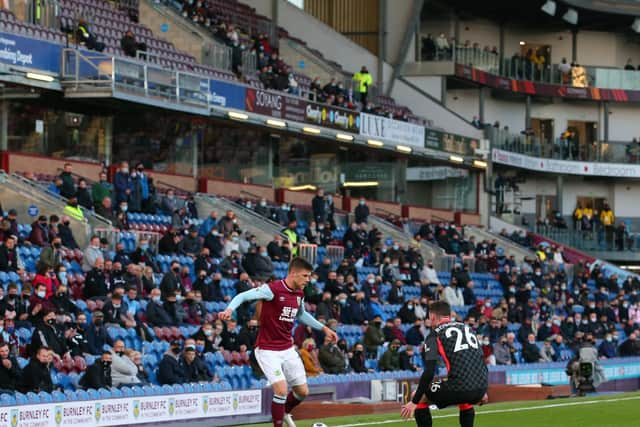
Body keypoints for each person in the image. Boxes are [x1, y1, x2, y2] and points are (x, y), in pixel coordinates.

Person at [219, 257, 338, 427]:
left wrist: (324, 328)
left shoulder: (299, 293)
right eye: (305, 276)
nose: (308, 280)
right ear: (293, 273)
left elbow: (302, 314)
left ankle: (285, 412)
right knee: (281, 390)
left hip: (287, 349)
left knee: (302, 392)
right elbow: (244, 295)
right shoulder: (272, 289)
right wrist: (229, 309)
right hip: (267, 350)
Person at [401, 301, 488, 427]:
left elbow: (429, 372)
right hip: (480, 388)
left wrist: (414, 402)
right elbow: (480, 359)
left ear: (432, 317)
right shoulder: (467, 329)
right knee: (464, 396)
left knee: (418, 396)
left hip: (461, 388)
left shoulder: (433, 336)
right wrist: (483, 389)